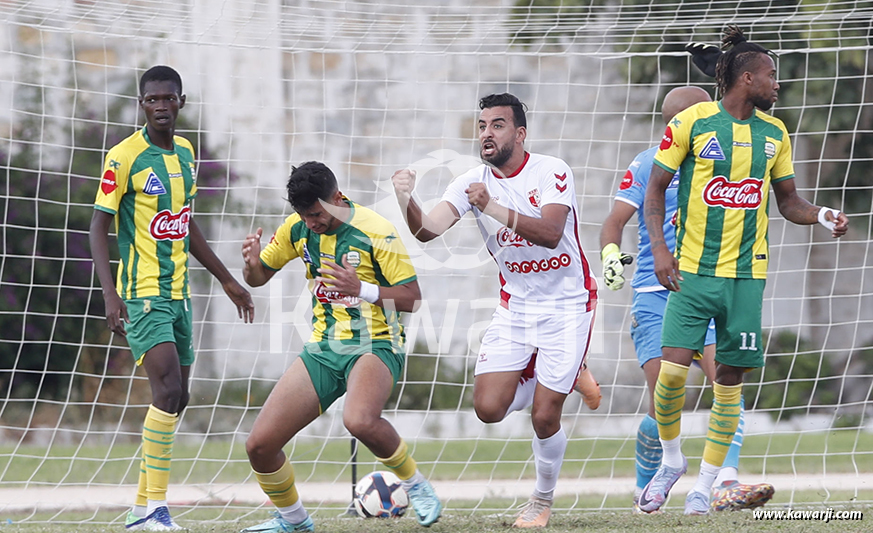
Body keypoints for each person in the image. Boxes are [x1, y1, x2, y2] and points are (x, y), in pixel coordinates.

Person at [638, 26, 849, 515]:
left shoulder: (775, 133)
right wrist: (661, 252)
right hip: (692, 273)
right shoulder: (692, 123)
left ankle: (703, 487)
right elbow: (654, 193)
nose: (778, 84)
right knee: (669, 379)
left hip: (746, 279)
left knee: (728, 381)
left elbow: (789, 201)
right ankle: (672, 462)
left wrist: (821, 215)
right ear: (747, 77)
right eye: (772, 75)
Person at [392, 93, 599, 528]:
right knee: (488, 409)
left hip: (568, 306)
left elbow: (549, 232)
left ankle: (541, 501)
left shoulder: (551, 170)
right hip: (516, 308)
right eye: (482, 125)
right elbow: (428, 230)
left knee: (545, 415)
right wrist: (405, 198)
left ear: (520, 134)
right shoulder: (470, 181)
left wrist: (490, 206)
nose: (487, 133)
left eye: (498, 125)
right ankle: (556, 369)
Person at [89, 65, 255, 531]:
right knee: (165, 392)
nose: (160, 106)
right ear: (142, 105)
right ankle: (157, 512)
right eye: (151, 100)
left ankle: (141, 511)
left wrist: (226, 278)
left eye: (168, 98)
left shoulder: (184, 153)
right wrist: (110, 293)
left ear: (181, 102)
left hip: (178, 293)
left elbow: (186, 223)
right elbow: (98, 227)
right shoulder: (123, 157)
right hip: (141, 294)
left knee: (178, 397)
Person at [239, 161, 442, 532]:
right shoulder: (298, 228)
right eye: (303, 214)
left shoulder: (376, 230)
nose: (311, 222)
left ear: (336, 197)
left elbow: (412, 298)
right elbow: (259, 277)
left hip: (376, 344)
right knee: (260, 446)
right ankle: (294, 522)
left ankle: (417, 486)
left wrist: (361, 289)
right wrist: (250, 265)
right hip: (324, 348)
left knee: (359, 420)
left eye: (317, 213)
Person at [602, 85, 774, 513]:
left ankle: (724, 484)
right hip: (655, 293)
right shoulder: (648, 165)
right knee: (665, 391)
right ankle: (652, 480)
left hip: (712, 285)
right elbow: (615, 220)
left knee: (725, 382)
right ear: (676, 124)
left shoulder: (729, 156)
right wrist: (609, 253)